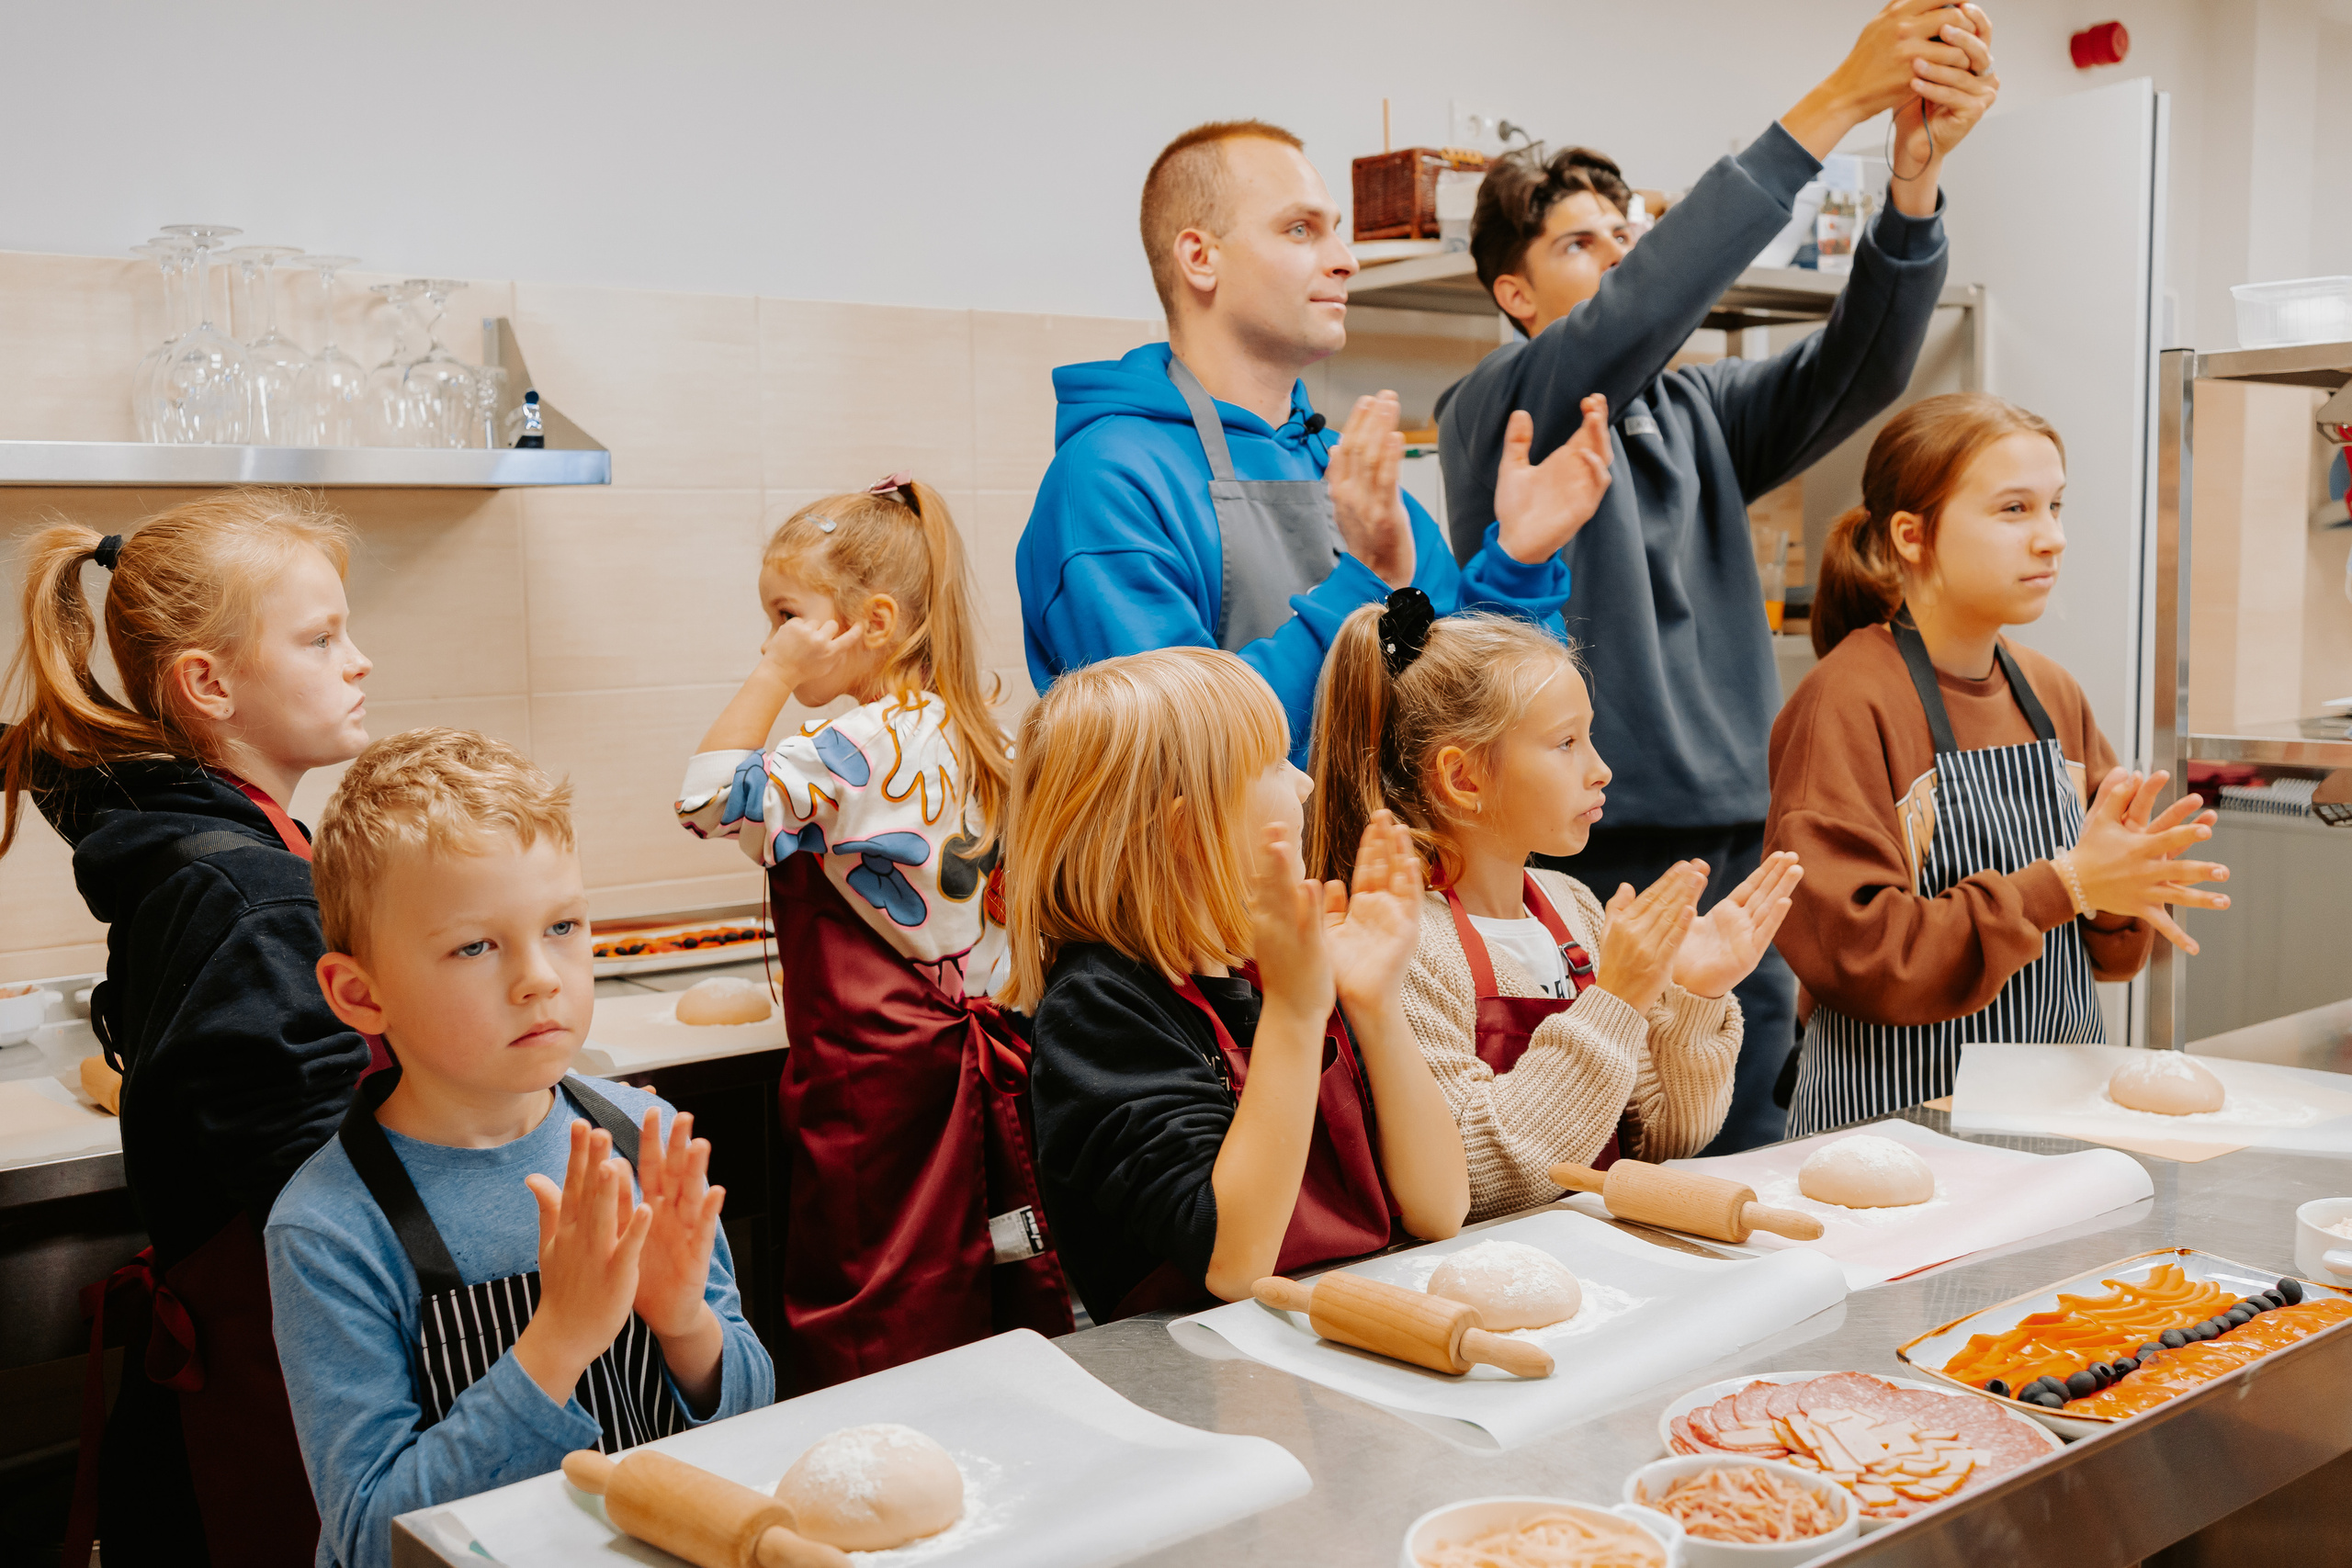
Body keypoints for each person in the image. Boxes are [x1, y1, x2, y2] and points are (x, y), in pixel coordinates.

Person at [1435, 0, 2003, 1152]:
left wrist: (1909, 191)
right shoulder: (1497, 413)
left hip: (1740, 849)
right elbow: (1646, 309)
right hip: (1586, 860)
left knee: (1742, 1155)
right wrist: (1833, 103)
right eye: (1581, 244)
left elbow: (1862, 365)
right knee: (1598, 1158)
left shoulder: (1695, 409)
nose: (1624, 259)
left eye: (1630, 233)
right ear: (1514, 294)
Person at [269, 728, 773, 1568]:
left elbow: (752, 1416)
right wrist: (558, 1340)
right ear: (361, 994)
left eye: (563, 924)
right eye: (475, 945)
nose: (540, 975)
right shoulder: (330, 1229)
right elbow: (369, 1539)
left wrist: (686, 1323)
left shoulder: (639, 1136)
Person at [0, 492, 375, 1568]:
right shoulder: (249, 895)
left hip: (250, 1364)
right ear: (208, 684)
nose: (358, 661)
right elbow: (320, 1183)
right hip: (281, 1382)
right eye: (320, 638)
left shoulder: (196, 835)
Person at [1017, 116, 1615, 762]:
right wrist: (1365, 584)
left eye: (1336, 231)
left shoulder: (1347, 471)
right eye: (1300, 229)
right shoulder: (1108, 484)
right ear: (1200, 257)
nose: (1346, 260)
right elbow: (1180, 754)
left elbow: (1468, 716)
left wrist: (1519, 565)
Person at [675, 474, 1069, 1391]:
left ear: (877, 622)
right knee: (970, 1268)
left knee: (870, 1286)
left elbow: (704, 800)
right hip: (972, 1049)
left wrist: (771, 677)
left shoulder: (847, 749)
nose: (770, 638)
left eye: (784, 615)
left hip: (876, 1074)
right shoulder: (979, 735)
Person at [1767, 395, 2231, 1134]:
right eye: (2014, 510)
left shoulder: (2051, 692)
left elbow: (2106, 953)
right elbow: (1859, 954)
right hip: (1896, 1127)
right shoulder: (1848, 703)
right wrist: (2067, 883)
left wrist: (2125, 887)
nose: (2052, 539)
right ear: (1913, 536)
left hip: (2052, 1128)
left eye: (2055, 506)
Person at [1003, 648, 1467, 1322]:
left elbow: (1440, 1204)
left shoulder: (1270, 972)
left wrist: (1374, 1001)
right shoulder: (1099, 1007)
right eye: (1276, 764)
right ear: (1189, 828)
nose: (1306, 784)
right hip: (1204, 1382)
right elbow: (1234, 1258)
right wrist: (1297, 1011)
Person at [1307, 594, 1800, 1219]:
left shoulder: (1574, 908)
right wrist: (1615, 1000)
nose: (1601, 770)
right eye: (1566, 742)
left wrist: (1693, 997)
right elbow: (1477, 1174)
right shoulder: (1404, 946)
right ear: (1463, 778)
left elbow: (1661, 1139)